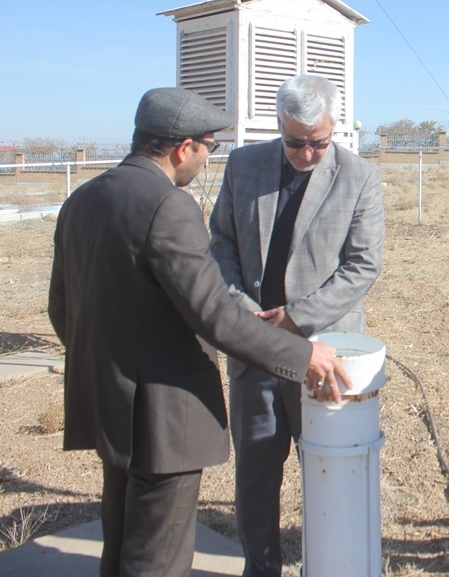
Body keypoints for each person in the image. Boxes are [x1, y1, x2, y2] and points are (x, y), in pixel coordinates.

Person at [47, 87, 350, 577]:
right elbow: (217, 316)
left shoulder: (81, 200)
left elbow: (61, 308)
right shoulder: (168, 206)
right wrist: (303, 355)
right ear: (183, 148)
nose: (208, 159)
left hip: (109, 404)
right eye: (208, 147)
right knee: (158, 558)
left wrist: (113, 367)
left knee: (121, 544)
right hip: (163, 419)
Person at [209, 74, 385, 577]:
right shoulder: (243, 165)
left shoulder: (360, 177)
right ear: (279, 124)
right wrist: (246, 312)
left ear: (334, 129)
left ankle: (327, 565)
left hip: (322, 354)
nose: (307, 153)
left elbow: (362, 266)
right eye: (295, 142)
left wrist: (296, 317)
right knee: (256, 477)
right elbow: (220, 244)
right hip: (255, 350)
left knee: (329, 474)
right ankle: (260, 567)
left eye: (319, 143)